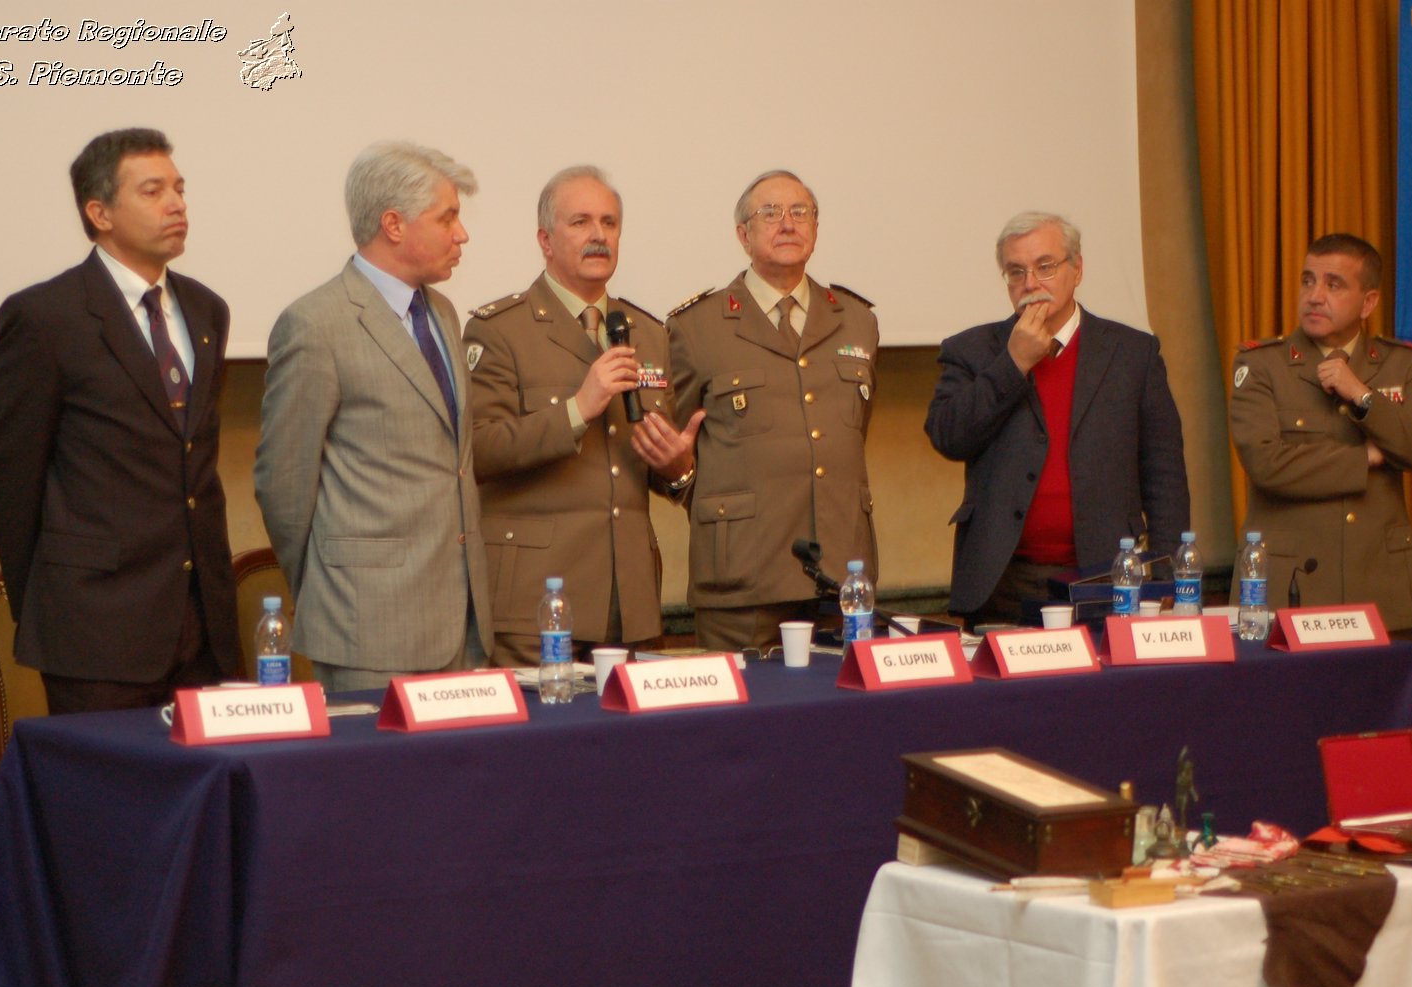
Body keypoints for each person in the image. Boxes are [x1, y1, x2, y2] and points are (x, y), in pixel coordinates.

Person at [0, 128, 238, 715]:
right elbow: (8, 474)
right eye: (152, 191)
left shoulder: (206, 311)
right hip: (95, 632)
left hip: (202, 627)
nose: (176, 204)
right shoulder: (45, 316)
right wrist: (50, 603)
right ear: (99, 213)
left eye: (179, 188)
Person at [254, 142, 491, 690]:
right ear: (394, 224)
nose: (462, 234)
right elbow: (283, 486)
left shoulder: (444, 313)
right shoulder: (316, 324)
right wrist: (331, 585)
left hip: (465, 623)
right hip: (367, 626)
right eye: (448, 216)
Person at [464, 166, 701, 666]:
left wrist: (678, 468)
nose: (599, 235)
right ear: (545, 240)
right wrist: (577, 409)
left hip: (629, 600)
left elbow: (652, 472)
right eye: (581, 223)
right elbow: (478, 451)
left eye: (610, 223)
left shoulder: (648, 333)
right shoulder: (501, 330)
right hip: (536, 603)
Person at [925, 210, 1189, 629]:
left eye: (1045, 267)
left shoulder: (1132, 353)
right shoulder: (973, 350)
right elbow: (948, 437)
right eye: (1016, 272)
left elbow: (1163, 471)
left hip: (1107, 573)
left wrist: (1174, 576)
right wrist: (1013, 364)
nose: (1030, 283)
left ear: (1077, 269)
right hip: (1004, 579)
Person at [668, 170, 879, 652]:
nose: (787, 223)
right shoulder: (696, 328)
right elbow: (672, 453)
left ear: (816, 230)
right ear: (743, 235)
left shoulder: (858, 321)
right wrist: (680, 478)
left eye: (800, 212)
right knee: (741, 726)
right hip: (743, 577)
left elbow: (851, 433)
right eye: (770, 213)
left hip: (843, 576)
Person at [1229, 233, 1412, 635]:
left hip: (1380, 588)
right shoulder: (1261, 364)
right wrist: (1368, 457)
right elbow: (1267, 465)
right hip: (1290, 590)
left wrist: (1362, 395)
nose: (1315, 295)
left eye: (1333, 284)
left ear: (1369, 302)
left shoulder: (1403, 363)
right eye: (1308, 281)